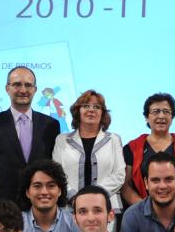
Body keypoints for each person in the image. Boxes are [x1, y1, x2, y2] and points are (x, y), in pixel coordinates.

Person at [0, 66, 61, 202]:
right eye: (16, 85)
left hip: (40, 203)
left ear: (35, 89)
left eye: (28, 85)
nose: (23, 90)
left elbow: (53, 165)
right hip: (2, 204)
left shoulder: (51, 125)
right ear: (7, 88)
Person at [52, 89, 125, 217]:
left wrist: (95, 196)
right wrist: (75, 198)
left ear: (102, 113)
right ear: (77, 111)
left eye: (97, 107)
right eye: (86, 106)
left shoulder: (114, 139)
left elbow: (119, 175)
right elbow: (56, 174)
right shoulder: (62, 140)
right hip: (69, 209)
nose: (91, 110)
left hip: (106, 210)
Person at [122, 92, 175, 205]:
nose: (161, 116)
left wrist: (172, 206)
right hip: (142, 212)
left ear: (172, 117)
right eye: (155, 111)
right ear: (146, 117)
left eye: (166, 111)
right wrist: (144, 207)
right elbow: (125, 186)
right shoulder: (132, 148)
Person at [18, 159, 79, 232]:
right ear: (27, 192)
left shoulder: (74, 223)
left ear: (60, 191)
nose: (44, 192)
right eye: (37, 186)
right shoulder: (16, 224)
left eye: (51, 186)